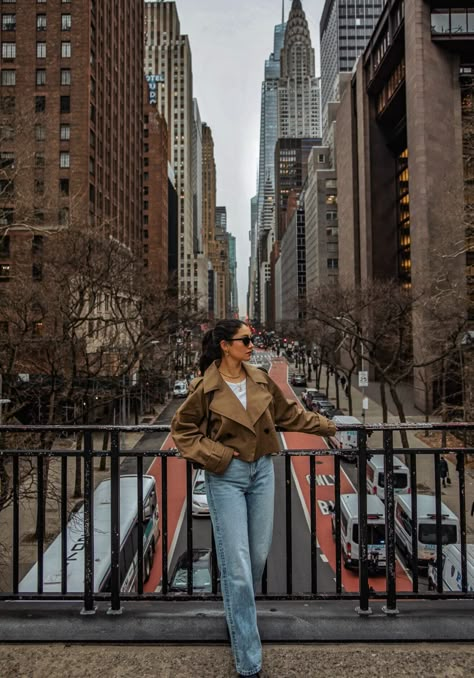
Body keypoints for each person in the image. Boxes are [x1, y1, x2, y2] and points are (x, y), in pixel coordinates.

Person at [171, 320, 336, 678]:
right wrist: (219, 457)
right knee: (241, 570)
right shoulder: (205, 388)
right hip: (225, 476)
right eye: (245, 340)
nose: (251, 344)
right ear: (225, 346)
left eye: (251, 339)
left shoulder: (260, 378)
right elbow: (182, 431)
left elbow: (288, 414)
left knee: (256, 557)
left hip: (262, 471)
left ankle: (232, 587)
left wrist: (327, 425)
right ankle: (249, 662)